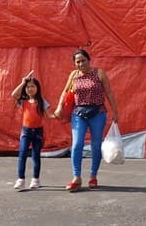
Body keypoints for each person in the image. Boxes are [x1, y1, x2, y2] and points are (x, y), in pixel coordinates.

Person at [54, 49, 119, 192]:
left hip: (98, 112)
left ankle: (93, 176)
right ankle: (76, 177)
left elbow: (108, 92)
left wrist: (115, 111)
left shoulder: (99, 73)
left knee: (96, 145)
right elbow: (65, 92)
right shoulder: (74, 75)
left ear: (89, 60)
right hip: (78, 113)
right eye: (77, 61)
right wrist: (59, 107)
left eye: (83, 60)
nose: (81, 64)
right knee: (77, 145)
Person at [11, 70, 55, 190]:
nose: (30, 89)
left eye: (32, 86)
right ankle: (21, 179)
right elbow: (13, 95)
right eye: (28, 87)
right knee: (23, 154)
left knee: (36, 156)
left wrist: (57, 115)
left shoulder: (42, 102)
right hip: (26, 131)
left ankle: (35, 179)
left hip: (38, 132)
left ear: (37, 88)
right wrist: (22, 82)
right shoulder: (23, 101)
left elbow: (49, 115)